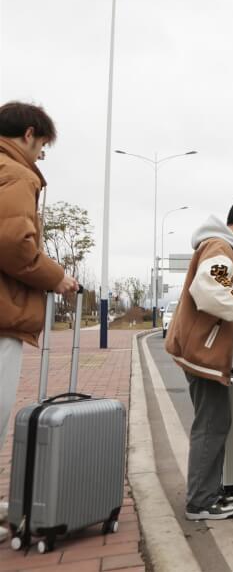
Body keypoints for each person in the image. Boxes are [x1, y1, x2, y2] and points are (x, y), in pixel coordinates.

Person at [165, 199, 233, 521]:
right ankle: (200, 502)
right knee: (211, 425)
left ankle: (207, 494)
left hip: (202, 349)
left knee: (214, 423)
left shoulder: (218, 248)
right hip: (202, 351)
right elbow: (211, 289)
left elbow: (224, 289)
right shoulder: (220, 248)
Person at [0, 102, 79, 542]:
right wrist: (57, 277)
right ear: (28, 134)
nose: (42, 157)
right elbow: (13, 243)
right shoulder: (17, 173)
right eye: (43, 146)